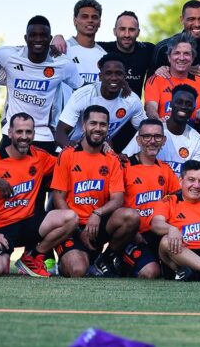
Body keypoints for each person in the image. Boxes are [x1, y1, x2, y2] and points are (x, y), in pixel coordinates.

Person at [0, 113, 77, 277]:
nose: (24, 137)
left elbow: (70, 161)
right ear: (10, 133)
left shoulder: (40, 156)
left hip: (29, 223)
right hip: (0, 227)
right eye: (19, 132)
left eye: (28, 132)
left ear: (34, 134)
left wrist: (106, 150)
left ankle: (32, 256)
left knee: (71, 217)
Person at [50, 106, 139, 277]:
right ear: (84, 126)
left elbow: (118, 199)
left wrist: (97, 213)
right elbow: (58, 198)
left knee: (131, 216)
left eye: (103, 124)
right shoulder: (68, 155)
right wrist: (76, 228)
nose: (98, 128)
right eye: (93, 123)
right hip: (72, 226)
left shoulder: (112, 158)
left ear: (107, 128)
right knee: (77, 270)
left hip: (97, 224)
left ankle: (104, 259)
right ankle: (66, 260)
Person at [0, 16, 84, 155]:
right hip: (12, 134)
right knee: (5, 176)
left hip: (44, 137)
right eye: (33, 35)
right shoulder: (8, 55)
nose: (38, 39)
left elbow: (83, 89)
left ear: (49, 38)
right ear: (25, 38)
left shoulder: (63, 64)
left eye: (43, 35)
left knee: (47, 177)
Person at [120, 119, 182, 279]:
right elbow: (113, 204)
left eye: (157, 137)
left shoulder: (166, 170)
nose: (152, 141)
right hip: (133, 235)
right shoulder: (124, 166)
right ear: (138, 140)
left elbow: (179, 203)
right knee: (151, 272)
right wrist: (131, 232)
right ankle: (118, 260)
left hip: (158, 234)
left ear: (164, 140)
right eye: (146, 136)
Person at [56, 54, 145, 152]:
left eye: (119, 73)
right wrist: (74, 151)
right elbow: (60, 133)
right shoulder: (83, 95)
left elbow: (146, 130)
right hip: (73, 149)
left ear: (124, 76)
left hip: (102, 150)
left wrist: (127, 153)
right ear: (100, 76)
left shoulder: (132, 101)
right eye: (108, 73)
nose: (114, 78)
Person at [144, 38, 200, 122]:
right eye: (177, 53)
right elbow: (150, 107)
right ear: (169, 57)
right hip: (165, 130)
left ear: (192, 58)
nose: (182, 58)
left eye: (186, 54)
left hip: (193, 132)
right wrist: (157, 121)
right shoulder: (157, 80)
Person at [97, 10, 156, 97]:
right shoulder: (101, 49)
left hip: (134, 108)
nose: (127, 34)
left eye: (131, 30)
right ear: (114, 31)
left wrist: (162, 68)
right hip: (106, 107)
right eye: (122, 29)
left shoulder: (148, 50)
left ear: (138, 32)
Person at [154, 0, 200, 69]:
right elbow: (153, 78)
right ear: (182, 20)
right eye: (191, 19)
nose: (197, 24)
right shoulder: (164, 48)